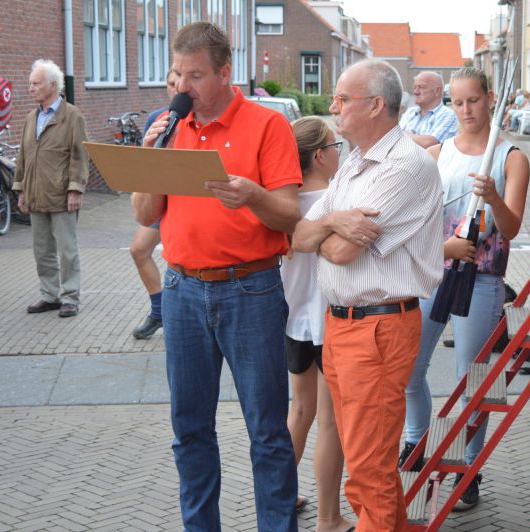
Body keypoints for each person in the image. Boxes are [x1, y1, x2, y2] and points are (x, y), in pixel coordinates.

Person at [133, 22, 301, 531]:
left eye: (196, 76)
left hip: (251, 290)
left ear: (225, 73)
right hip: (181, 290)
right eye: (177, 75)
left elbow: (289, 215)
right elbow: (144, 214)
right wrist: (150, 158)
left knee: (267, 430)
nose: (182, 87)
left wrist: (253, 195)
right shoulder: (169, 125)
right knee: (189, 429)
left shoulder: (267, 125)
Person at [292, 59, 443, 532]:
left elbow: (338, 252)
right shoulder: (355, 162)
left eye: (342, 98)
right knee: (369, 464)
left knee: (368, 469)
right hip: (343, 326)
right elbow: (299, 235)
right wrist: (334, 221)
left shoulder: (405, 167)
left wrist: (324, 229)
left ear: (376, 105)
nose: (333, 106)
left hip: (377, 328)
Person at [399, 67, 530, 510]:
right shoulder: (438, 153)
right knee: (409, 370)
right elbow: (418, 219)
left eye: (473, 100)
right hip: (434, 272)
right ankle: (415, 445)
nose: (466, 110)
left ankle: (468, 470)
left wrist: (492, 197)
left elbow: (510, 229)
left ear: (490, 98)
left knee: (470, 381)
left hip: (482, 277)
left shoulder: (511, 157)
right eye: (457, 102)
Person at [283, 116, 354, 532]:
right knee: (330, 422)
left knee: (300, 410)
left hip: (294, 320)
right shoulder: (334, 203)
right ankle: (328, 518)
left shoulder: (284, 204)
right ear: (320, 156)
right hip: (330, 321)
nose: (339, 154)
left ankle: (280, 498)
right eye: (335, 147)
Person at [13, 59, 88, 317]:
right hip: (36, 194)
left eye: (36, 83)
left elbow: (79, 156)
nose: (30, 88)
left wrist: (75, 189)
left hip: (62, 195)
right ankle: (50, 295)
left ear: (53, 86)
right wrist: (21, 189)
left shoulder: (72, 116)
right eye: (30, 83)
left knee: (67, 250)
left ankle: (70, 297)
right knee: (42, 250)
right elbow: (23, 156)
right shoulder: (30, 118)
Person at [130, 70, 178, 340]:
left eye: (179, 83)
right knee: (139, 249)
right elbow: (145, 165)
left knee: (177, 257)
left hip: (186, 200)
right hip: (159, 199)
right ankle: (158, 311)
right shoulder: (157, 119)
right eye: (171, 84)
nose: (176, 88)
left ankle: (175, 312)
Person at [399, 71, 458, 148]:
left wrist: (402, 135)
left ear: (437, 91)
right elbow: (393, 140)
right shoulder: (410, 112)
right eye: (415, 87)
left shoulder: (448, 115)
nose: (416, 92)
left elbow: (429, 144)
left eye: (422, 87)